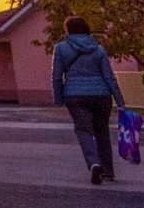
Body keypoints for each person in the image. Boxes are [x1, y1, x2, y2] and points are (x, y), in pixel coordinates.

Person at [52, 17, 125, 184]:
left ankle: (94, 163)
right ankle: (108, 171)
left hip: (75, 95)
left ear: (67, 30)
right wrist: (120, 100)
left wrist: (58, 98)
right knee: (102, 131)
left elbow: (57, 76)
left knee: (83, 131)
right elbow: (109, 76)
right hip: (101, 95)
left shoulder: (61, 49)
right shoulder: (98, 49)